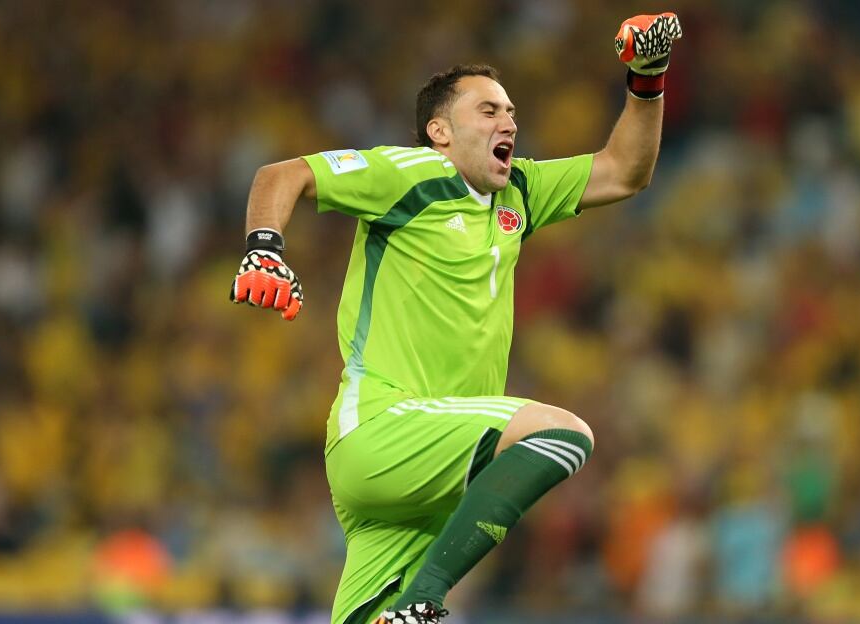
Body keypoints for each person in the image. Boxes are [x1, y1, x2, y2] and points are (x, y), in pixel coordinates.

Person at [230, 13, 682, 624]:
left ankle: (407, 606)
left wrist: (647, 79)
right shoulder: (413, 173)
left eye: (511, 112)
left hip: (431, 471)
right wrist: (264, 248)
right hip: (383, 429)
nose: (509, 122)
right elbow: (283, 175)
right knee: (562, 434)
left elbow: (625, 171)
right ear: (439, 132)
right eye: (488, 110)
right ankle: (426, 599)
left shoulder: (518, 193)